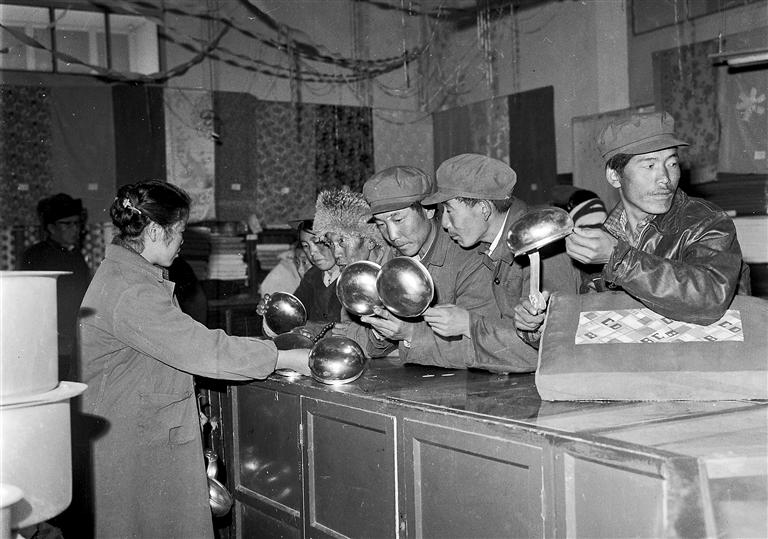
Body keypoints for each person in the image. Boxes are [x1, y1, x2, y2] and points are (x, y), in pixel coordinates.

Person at [78, 180, 310, 539]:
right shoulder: (132, 290)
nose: (183, 241)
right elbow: (204, 350)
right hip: (131, 445)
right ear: (155, 231)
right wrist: (285, 357)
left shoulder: (132, 276)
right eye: (181, 231)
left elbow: (155, 358)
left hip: (137, 430)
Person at [565, 111, 751, 324]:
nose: (665, 178)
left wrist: (619, 258)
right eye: (650, 165)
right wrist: (543, 323)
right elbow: (594, 316)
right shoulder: (603, 239)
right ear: (615, 176)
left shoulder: (707, 221)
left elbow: (710, 298)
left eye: (672, 164)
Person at [421, 154, 581, 372]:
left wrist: (469, 325)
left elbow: (554, 346)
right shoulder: (489, 245)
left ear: (484, 209)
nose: (445, 223)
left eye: (449, 210)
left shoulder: (541, 244)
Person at [358, 166, 498, 370]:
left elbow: (483, 346)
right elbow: (370, 344)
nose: (392, 235)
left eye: (398, 219)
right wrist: (380, 331)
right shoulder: (392, 258)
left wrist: (410, 334)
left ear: (429, 210)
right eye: (381, 224)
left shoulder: (470, 258)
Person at [19, 192, 90, 380]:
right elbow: (28, 305)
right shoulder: (35, 256)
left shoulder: (77, 257)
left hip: (75, 340)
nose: (75, 229)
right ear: (51, 228)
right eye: (67, 224)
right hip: (47, 342)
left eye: (77, 224)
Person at [292, 218, 342, 324]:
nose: (312, 252)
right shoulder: (311, 276)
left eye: (318, 242)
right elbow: (294, 311)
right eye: (306, 246)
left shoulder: (352, 277)